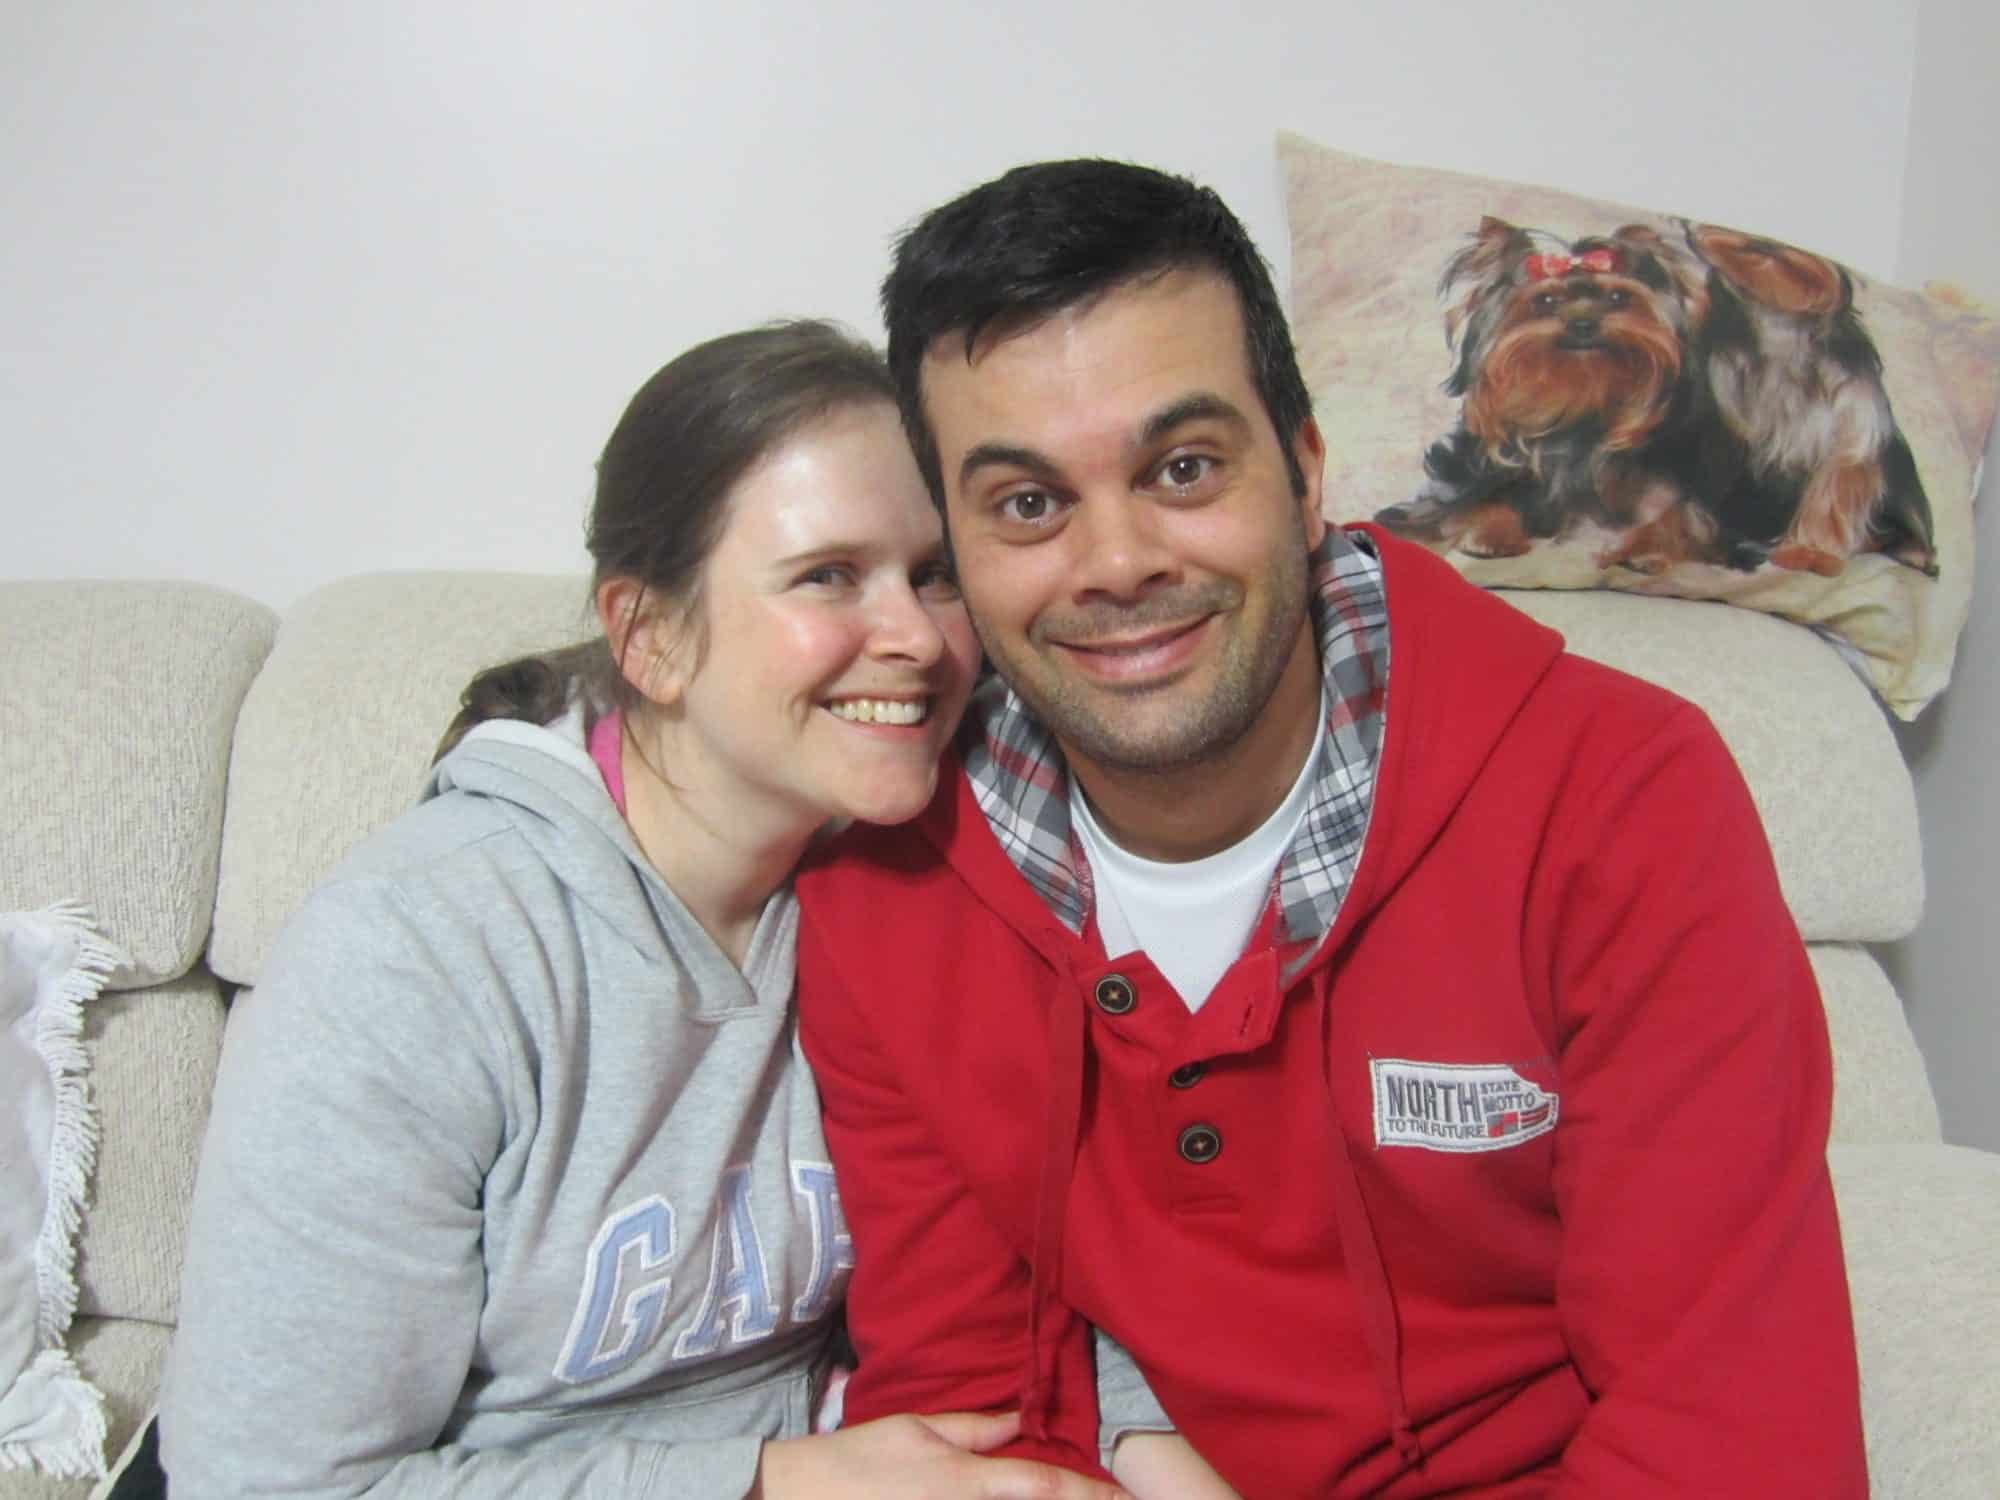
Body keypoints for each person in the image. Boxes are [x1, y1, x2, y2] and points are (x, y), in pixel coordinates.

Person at [793, 163, 1871, 1497]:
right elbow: (967, 1424)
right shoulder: (881, 889)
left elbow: (1733, 1445)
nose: (1117, 562)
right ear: (951, 549)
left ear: (1304, 476)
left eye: (1183, 468)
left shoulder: (1624, 803)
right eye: (1026, 503)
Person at [156, 321, 1140, 1499]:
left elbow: (1088, 1235)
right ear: (649, 636)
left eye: (932, 574)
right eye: (828, 576)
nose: (919, 640)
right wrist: (775, 1483)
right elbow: (266, 1484)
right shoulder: (412, 951)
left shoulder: (941, 878)